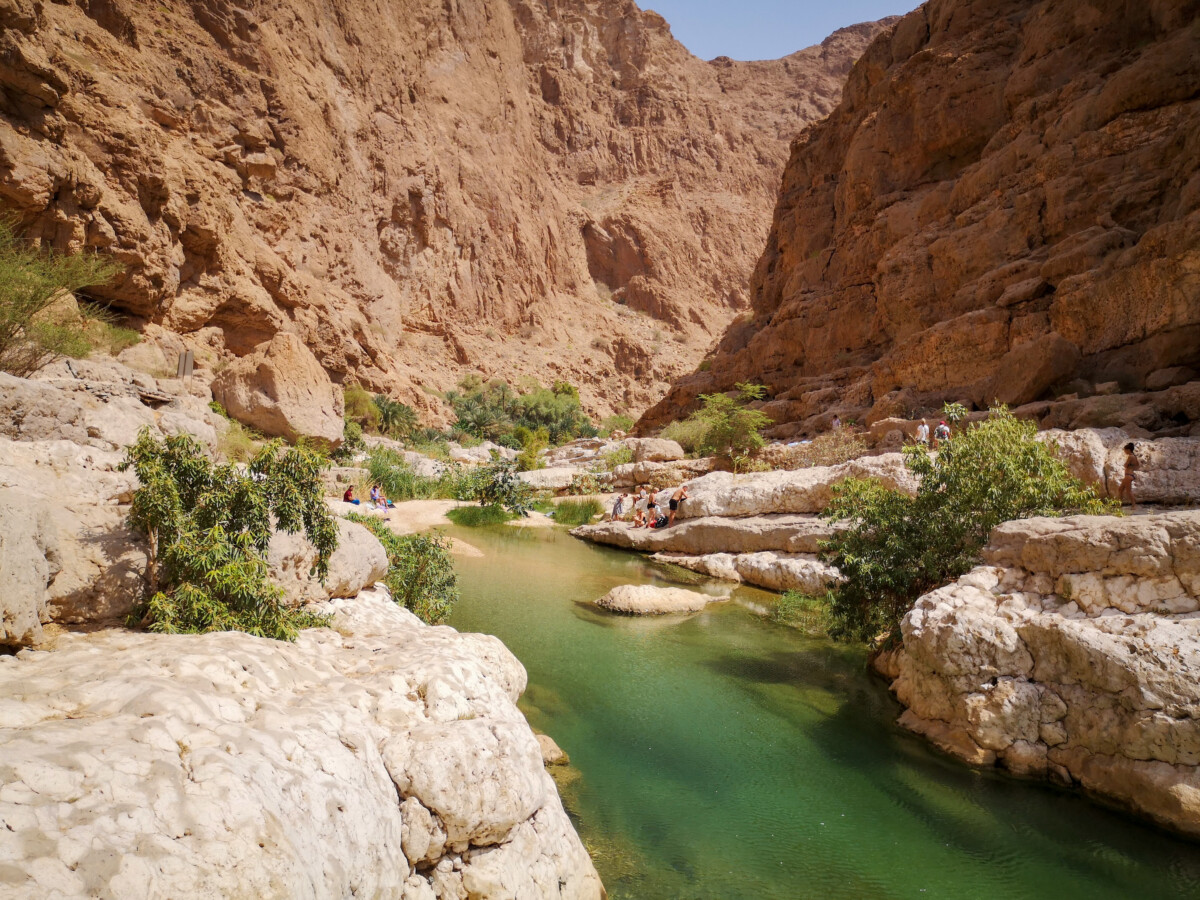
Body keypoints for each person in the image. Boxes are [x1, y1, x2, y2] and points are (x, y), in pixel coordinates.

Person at [1118, 442, 1140, 510]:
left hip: (1128, 475)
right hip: (1130, 474)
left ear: (1128, 450)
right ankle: (1119, 504)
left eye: (1125, 450)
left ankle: (1134, 505)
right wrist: (1131, 467)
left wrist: (1128, 466)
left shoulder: (1130, 456)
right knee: (1120, 489)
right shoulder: (1134, 456)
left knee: (1128, 491)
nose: (1124, 451)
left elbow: (1125, 465)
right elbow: (1138, 465)